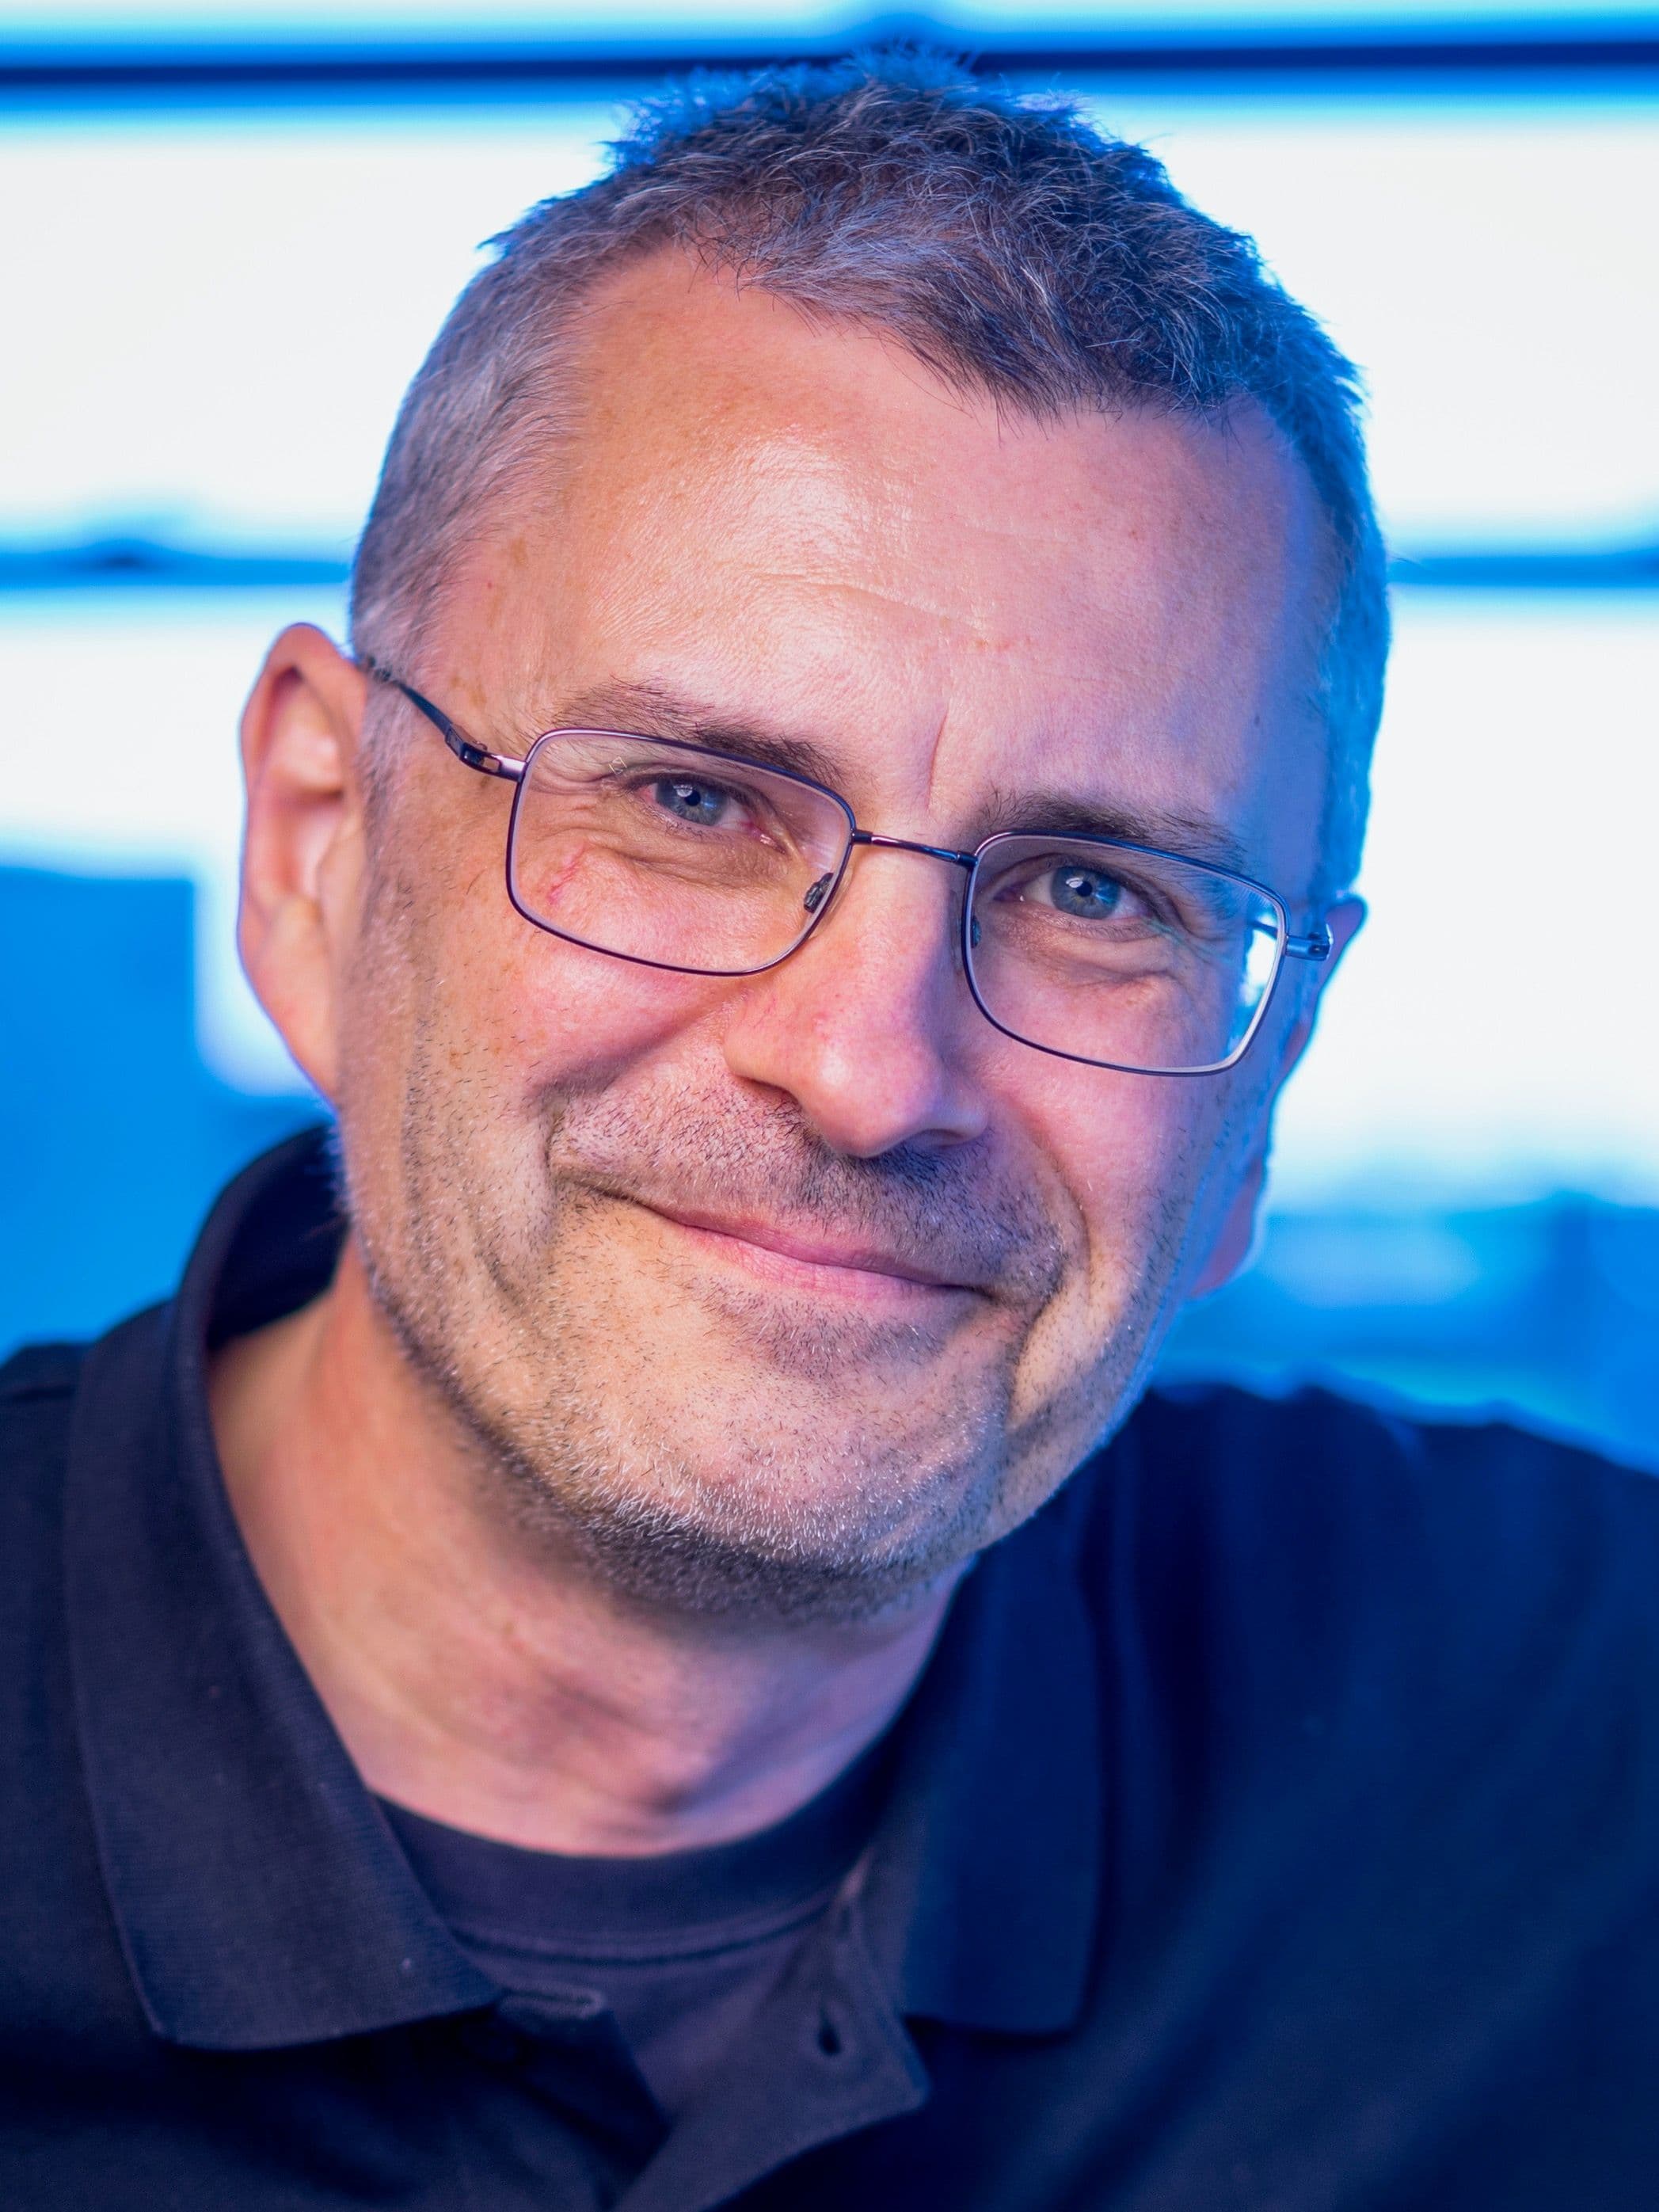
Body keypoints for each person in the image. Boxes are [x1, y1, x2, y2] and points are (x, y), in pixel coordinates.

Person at [3, 51, 1654, 2212]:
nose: (871, 1074)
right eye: (694, 803)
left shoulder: (1573, 1756)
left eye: (1098, 895)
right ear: (320, 853)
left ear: (1265, 1083)